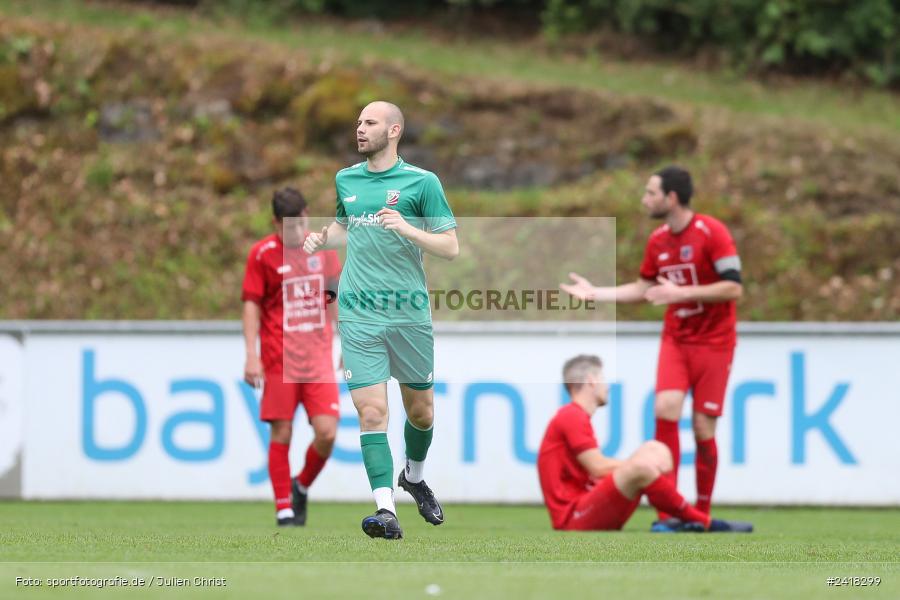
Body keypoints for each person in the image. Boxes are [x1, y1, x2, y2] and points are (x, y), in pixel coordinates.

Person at [304, 101, 459, 540]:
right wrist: (323, 238)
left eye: (369, 123)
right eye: (357, 122)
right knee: (372, 412)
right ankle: (385, 510)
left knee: (422, 413)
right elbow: (344, 225)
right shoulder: (346, 179)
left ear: (393, 131)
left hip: (408, 313)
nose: (360, 129)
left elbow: (450, 247)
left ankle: (413, 476)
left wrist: (407, 228)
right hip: (358, 312)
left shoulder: (422, 183)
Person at [560, 166, 742, 531]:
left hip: (714, 341)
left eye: (650, 193)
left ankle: (701, 513)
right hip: (676, 337)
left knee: (704, 429)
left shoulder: (712, 232)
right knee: (666, 408)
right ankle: (669, 512)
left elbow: (734, 288)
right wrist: (597, 293)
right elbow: (643, 287)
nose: (645, 199)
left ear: (671, 198)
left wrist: (683, 293)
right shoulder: (659, 240)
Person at [538, 354, 752, 533]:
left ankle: (668, 521)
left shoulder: (574, 416)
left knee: (655, 449)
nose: (607, 386)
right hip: (573, 519)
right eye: (603, 379)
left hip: (587, 506)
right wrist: (639, 466)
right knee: (642, 464)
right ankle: (706, 523)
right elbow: (598, 467)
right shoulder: (570, 416)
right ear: (592, 380)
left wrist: (644, 463)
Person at [242, 187, 342, 527]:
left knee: (327, 433)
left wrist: (347, 343)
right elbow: (252, 305)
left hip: (318, 359)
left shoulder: (324, 248)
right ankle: (284, 509)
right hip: (278, 359)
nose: (296, 234)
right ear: (275, 223)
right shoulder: (262, 254)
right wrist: (251, 355)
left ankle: (301, 485)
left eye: (300, 225)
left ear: (307, 216)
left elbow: (335, 295)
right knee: (281, 433)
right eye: (288, 228)